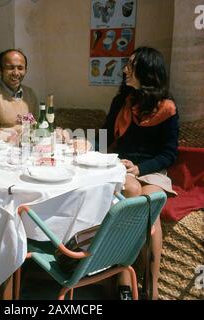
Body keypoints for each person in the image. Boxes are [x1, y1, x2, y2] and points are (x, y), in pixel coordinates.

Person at [101, 47, 179, 300]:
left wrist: (141, 168)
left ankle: (151, 290)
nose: (125, 69)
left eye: (131, 65)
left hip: (152, 169)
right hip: (123, 167)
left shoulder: (166, 108)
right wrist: (78, 141)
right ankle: (125, 282)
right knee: (132, 191)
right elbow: (105, 138)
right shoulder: (121, 102)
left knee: (150, 206)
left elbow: (169, 154)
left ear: (146, 70)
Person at [0, 49, 38, 143]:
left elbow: (36, 126)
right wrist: (15, 138)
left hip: (27, 148)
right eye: (10, 68)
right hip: (3, 151)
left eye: (20, 68)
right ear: (0, 70)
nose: (16, 73)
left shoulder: (30, 93)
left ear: (26, 70)